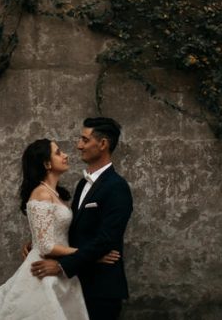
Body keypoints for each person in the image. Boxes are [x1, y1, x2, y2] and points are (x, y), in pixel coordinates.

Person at [0, 138, 119, 320]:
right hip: (44, 268)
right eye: (58, 152)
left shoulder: (56, 194)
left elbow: (51, 232)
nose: (65, 155)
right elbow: (45, 247)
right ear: (46, 163)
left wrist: (34, 240)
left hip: (61, 268)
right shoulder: (41, 193)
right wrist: (91, 254)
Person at [30, 118, 133, 320]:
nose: (78, 145)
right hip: (76, 285)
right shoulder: (82, 185)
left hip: (101, 289)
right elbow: (72, 231)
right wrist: (37, 239)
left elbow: (106, 239)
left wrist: (61, 266)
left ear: (102, 144)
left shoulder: (117, 187)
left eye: (84, 140)